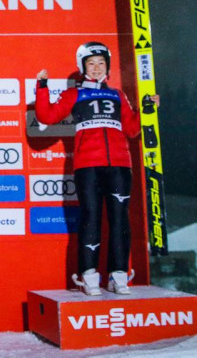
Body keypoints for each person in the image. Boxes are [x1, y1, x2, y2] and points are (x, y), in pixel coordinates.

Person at [35, 42, 159, 296]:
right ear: (83, 67)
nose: (96, 68)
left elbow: (133, 129)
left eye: (101, 63)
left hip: (119, 166)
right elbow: (47, 116)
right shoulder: (74, 94)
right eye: (91, 64)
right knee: (90, 217)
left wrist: (146, 109)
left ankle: (119, 275)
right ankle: (90, 277)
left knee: (119, 220)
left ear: (108, 67)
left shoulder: (118, 95)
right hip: (88, 165)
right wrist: (42, 87)